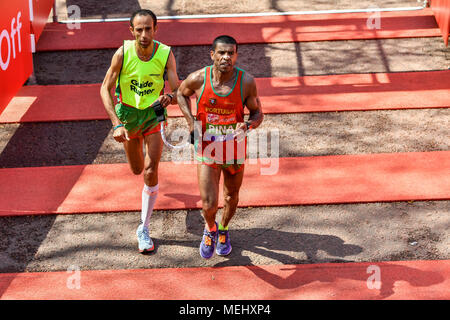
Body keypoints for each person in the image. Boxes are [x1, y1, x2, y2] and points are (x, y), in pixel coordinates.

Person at [100, 9, 179, 253]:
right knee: (136, 169)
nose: (144, 34)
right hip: (128, 116)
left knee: (150, 169)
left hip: (153, 115)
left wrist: (170, 97)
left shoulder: (165, 54)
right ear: (131, 31)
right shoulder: (122, 53)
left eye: (148, 29)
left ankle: (143, 228)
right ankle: (143, 182)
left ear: (156, 29)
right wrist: (116, 123)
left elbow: (178, 91)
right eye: (139, 29)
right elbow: (105, 89)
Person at [177, 35, 264, 259]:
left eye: (231, 53)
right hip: (207, 149)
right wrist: (191, 122)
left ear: (236, 55)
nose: (226, 57)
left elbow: (257, 113)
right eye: (222, 53)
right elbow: (180, 93)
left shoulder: (246, 82)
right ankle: (210, 228)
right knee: (208, 204)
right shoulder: (198, 79)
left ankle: (223, 228)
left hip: (234, 149)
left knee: (231, 197)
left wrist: (247, 126)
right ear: (212, 55)